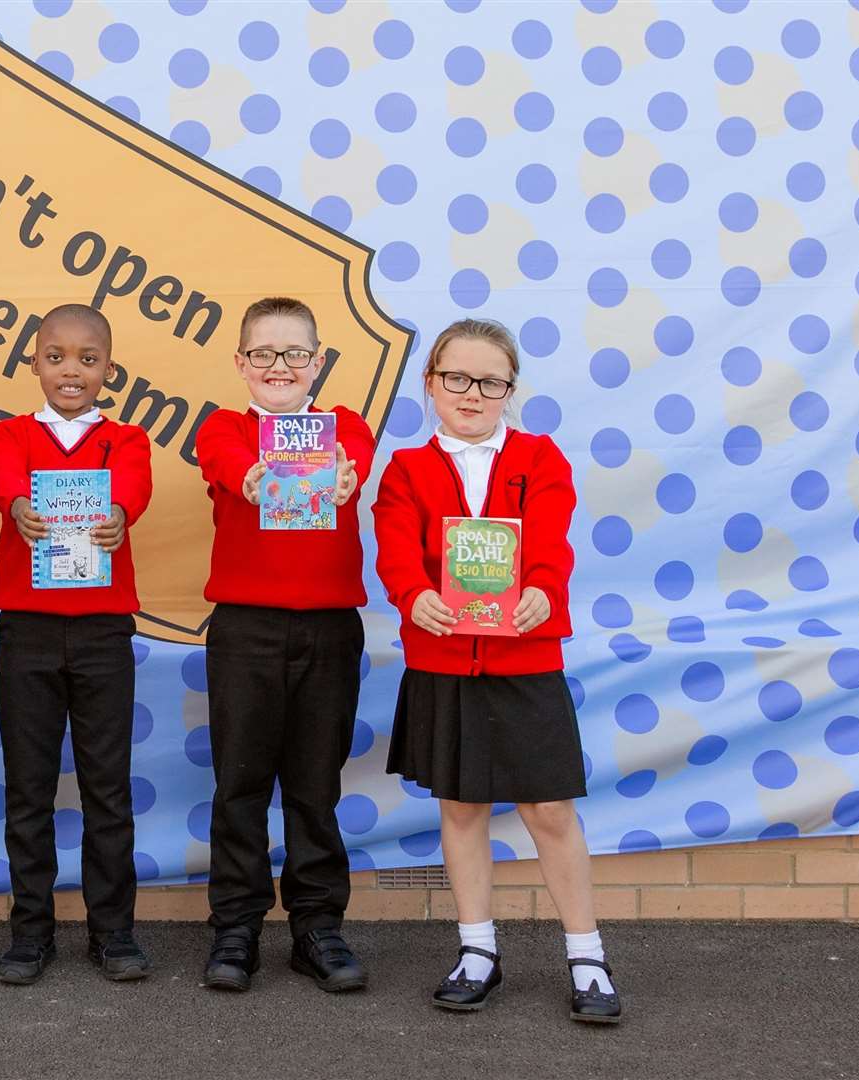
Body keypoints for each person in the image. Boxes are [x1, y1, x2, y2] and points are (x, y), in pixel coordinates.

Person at [373, 318, 622, 1023]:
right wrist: (412, 595)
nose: (472, 393)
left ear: (509, 389)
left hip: (523, 655)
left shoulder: (540, 458)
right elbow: (395, 550)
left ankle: (585, 954)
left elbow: (551, 538)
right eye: (456, 377)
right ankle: (476, 950)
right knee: (461, 806)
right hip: (444, 658)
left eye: (490, 381)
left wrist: (541, 585)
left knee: (548, 809)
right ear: (430, 384)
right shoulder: (405, 470)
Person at [193, 297, 373, 993]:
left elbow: (351, 461)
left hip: (330, 627)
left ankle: (317, 929)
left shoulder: (345, 429)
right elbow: (232, 465)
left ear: (318, 362)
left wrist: (340, 474)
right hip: (244, 627)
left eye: (294, 353)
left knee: (314, 786)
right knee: (239, 784)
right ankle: (234, 930)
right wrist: (266, 478)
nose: (279, 366)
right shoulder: (222, 429)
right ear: (240, 363)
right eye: (262, 354)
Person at [0, 304, 155, 984]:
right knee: (28, 789)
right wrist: (18, 507)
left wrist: (117, 513)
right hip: (26, 629)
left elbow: (133, 488)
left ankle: (112, 932)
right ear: (33, 363)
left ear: (108, 370)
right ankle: (30, 932)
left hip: (103, 632)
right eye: (56, 357)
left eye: (87, 359)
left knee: (106, 789)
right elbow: (3, 480)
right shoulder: (11, 436)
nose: (71, 371)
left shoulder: (127, 439)